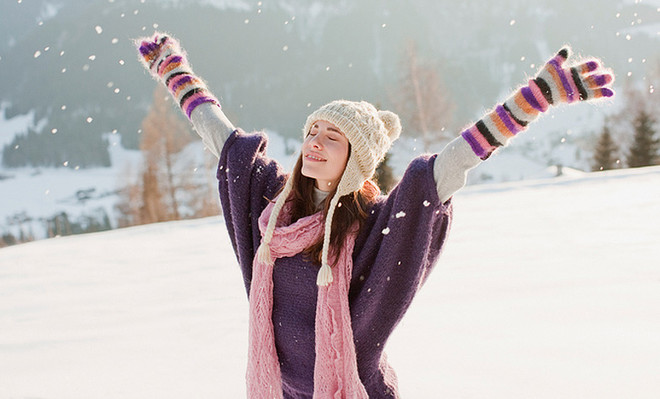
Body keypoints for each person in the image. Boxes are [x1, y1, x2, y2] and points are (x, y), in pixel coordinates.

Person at [137, 33, 614, 398]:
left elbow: (447, 167)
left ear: (355, 160)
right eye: (314, 130)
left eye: (333, 137)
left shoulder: (372, 226)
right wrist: (176, 73)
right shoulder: (273, 208)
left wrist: (534, 98)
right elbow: (224, 142)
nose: (315, 143)